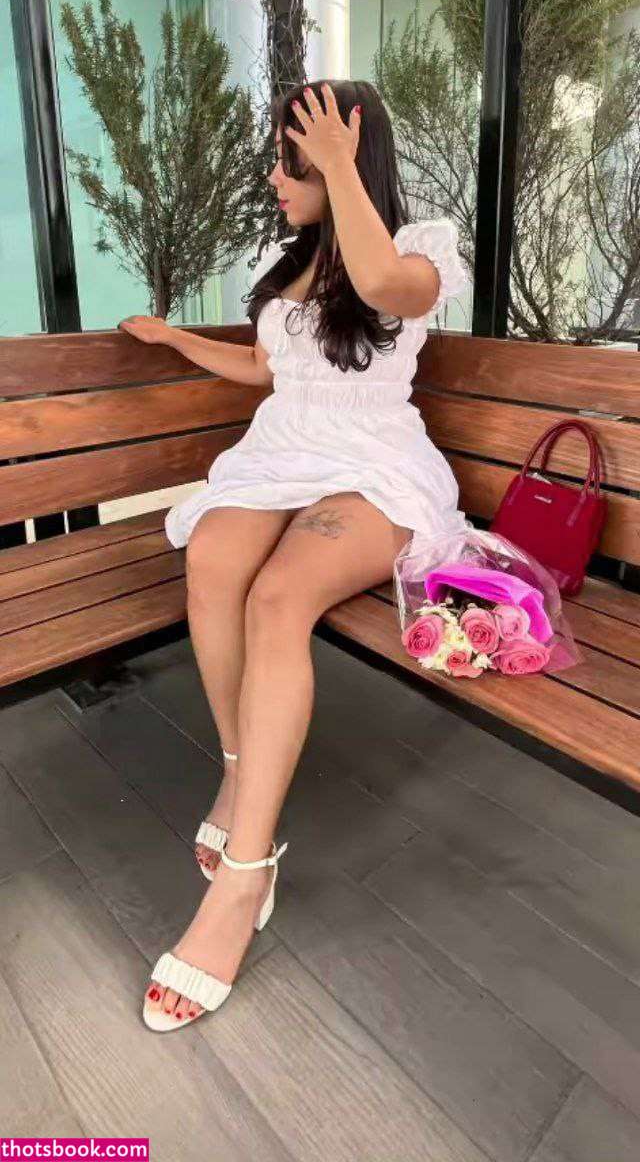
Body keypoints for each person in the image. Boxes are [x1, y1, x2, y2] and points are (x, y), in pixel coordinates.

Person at [118, 78, 468, 1032]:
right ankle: (239, 767)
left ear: (347, 162)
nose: (276, 178)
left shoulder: (417, 249)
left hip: (371, 467)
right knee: (211, 559)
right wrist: (173, 337)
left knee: (278, 600)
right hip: (280, 455)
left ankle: (245, 874)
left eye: (291, 162)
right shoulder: (295, 265)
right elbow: (264, 371)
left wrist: (343, 169)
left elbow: (387, 288)